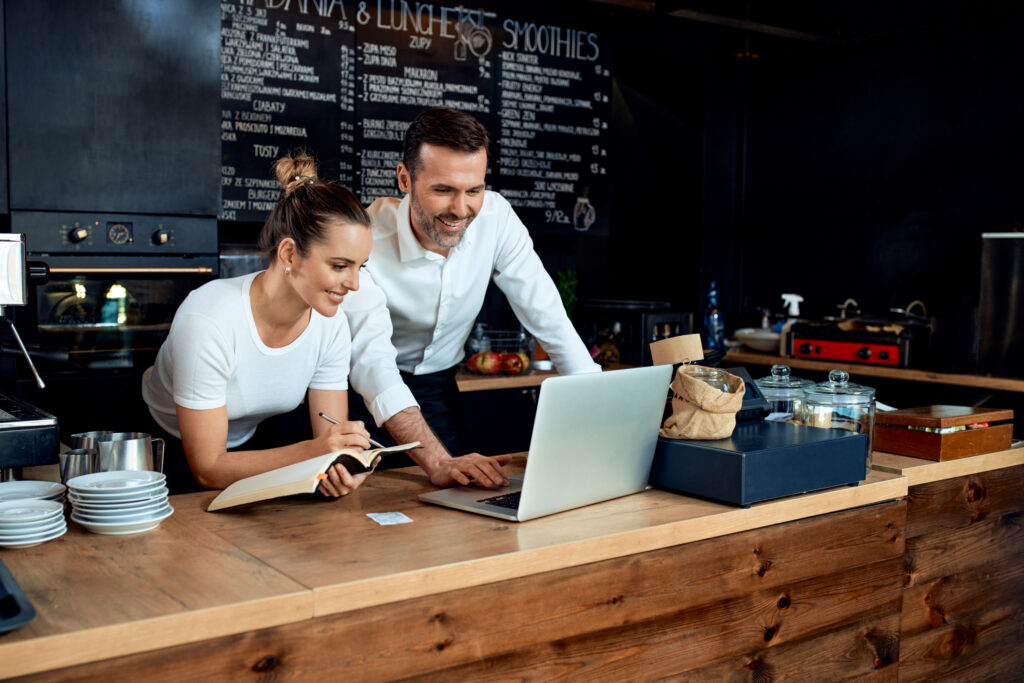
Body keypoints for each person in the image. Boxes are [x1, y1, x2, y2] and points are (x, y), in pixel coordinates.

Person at [342, 107, 600, 486]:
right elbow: (374, 367)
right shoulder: (365, 242)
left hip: (439, 390)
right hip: (361, 399)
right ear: (405, 179)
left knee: (453, 508)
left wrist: (600, 405)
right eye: (443, 190)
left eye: (474, 190)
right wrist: (436, 462)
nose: (461, 209)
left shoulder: (496, 218)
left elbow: (547, 314)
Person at [141, 153, 374, 495]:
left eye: (360, 267)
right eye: (340, 266)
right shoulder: (208, 318)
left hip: (259, 442)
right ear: (289, 254)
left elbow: (330, 438)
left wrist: (341, 468)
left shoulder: (331, 324)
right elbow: (207, 469)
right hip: (166, 453)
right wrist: (315, 454)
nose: (354, 284)